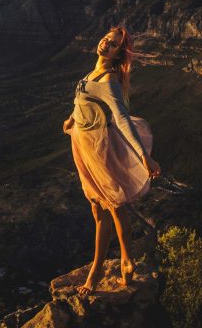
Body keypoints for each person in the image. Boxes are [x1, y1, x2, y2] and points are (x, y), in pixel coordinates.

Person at [63, 26, 162, 295]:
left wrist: (144, 156)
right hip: (81, 142)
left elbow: (122, 118)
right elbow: (82, 99)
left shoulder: (108, 80)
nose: (106, 44)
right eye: (107, 39)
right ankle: (119, 261)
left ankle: (113, 265)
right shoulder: (91, 73)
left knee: (113, 206)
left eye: (114, 44)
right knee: (97, 207)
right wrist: (72, 119)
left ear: (119, 53)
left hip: (98, 147)